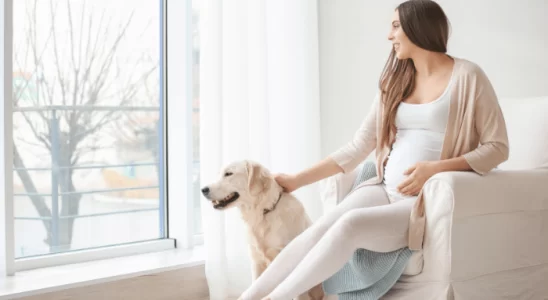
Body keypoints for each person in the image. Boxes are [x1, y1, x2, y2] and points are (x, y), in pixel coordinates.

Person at [240, 0, 509, 299]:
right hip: (382, 188)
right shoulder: (395, 80)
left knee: (349, 225)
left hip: (420, 203)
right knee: (322, 227)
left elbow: (497, 148)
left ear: (418, 27)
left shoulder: (468, 76)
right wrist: (296, 180)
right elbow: (358, 146)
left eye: (396, 26)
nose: (389, 35)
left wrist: (435, 169)